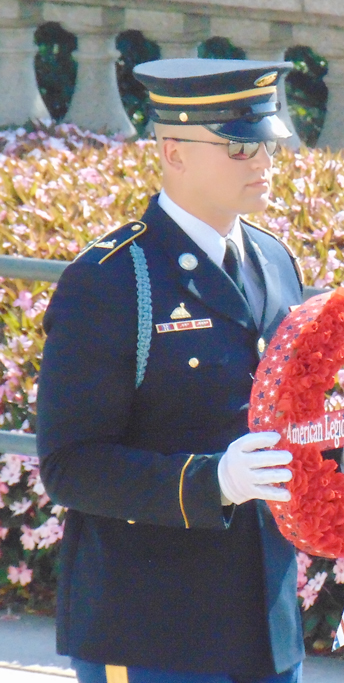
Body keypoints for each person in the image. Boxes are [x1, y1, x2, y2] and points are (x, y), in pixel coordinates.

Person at [37, 59, 307, 683]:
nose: (263, 161)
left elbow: (285, 414)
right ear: (173, 151)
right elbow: (70, 464)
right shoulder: (110, 279)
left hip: (266, 621)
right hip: (154, 627)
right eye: (240, 146)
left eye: (267, 142)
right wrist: (213, 481)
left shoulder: (272, 257)